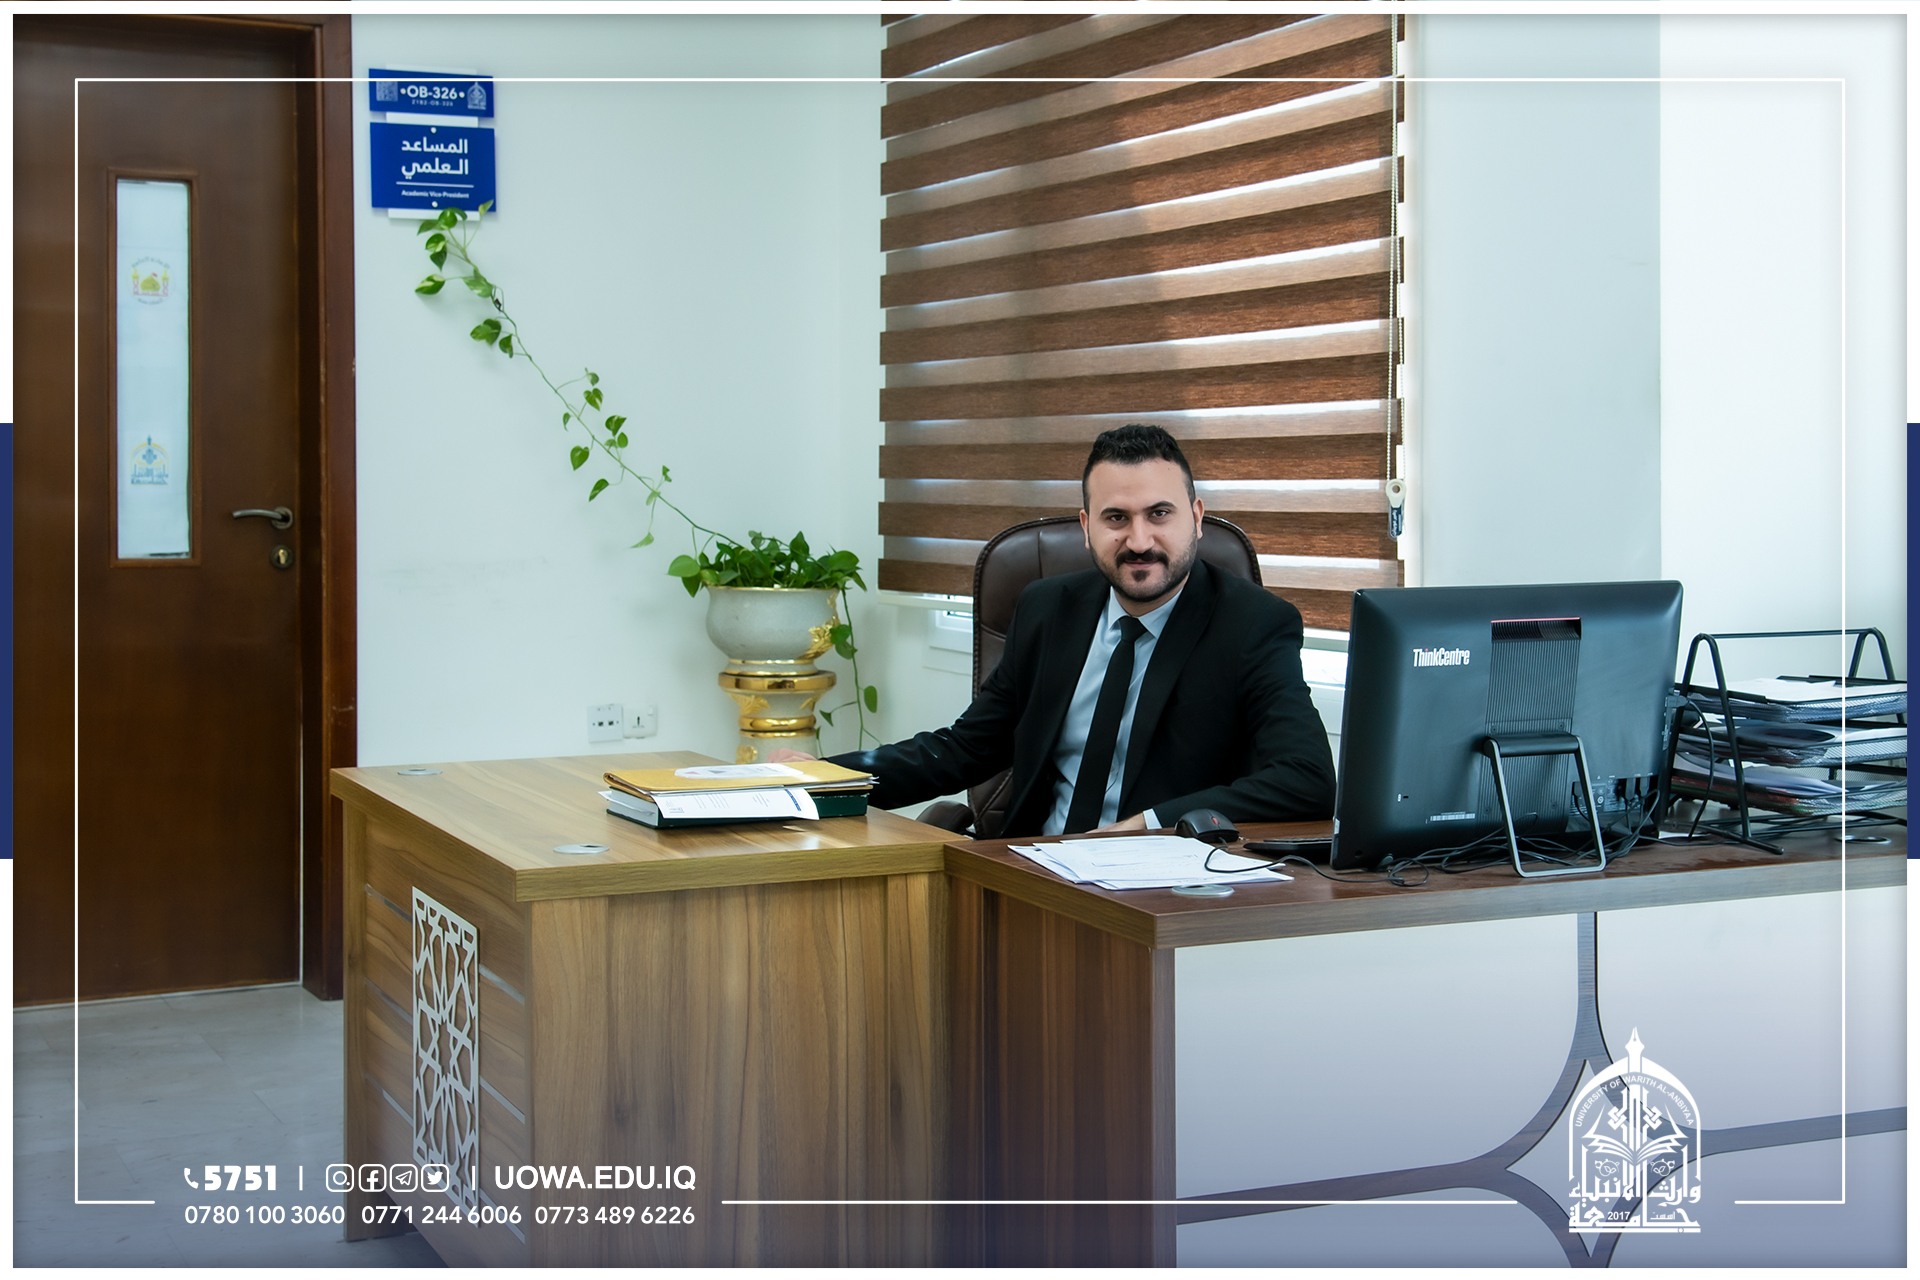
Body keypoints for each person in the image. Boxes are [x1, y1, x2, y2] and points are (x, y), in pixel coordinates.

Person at [820, 423, 1336, 837]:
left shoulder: (1252, 624)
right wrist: (819, 779)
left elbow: (1307, 779)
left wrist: (1151, 824)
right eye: (1116, 518)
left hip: (1163, 885)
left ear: (1196, 518)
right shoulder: (1047, 609)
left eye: (1159, 514)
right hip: (1034, 867)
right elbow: (966, 748)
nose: (1139, 541)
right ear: (1087, 527)